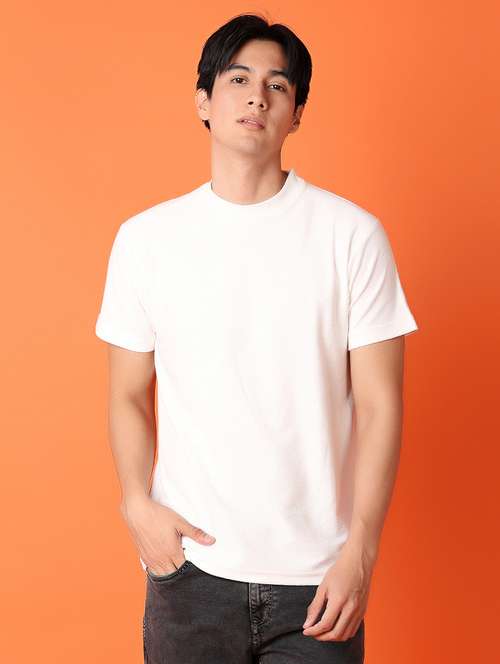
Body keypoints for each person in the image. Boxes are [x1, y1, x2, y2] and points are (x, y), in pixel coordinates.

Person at [95, 12, 418, 664]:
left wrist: (361, 552)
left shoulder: (351, 236)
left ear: (296, 113)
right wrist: (136, 503)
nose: (257, 97)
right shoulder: (147, 241)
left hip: (318, 582)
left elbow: (381, 404)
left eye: (278, 85)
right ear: (203, 101)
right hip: (191, 573)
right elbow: (128, 392)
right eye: (238, 79)